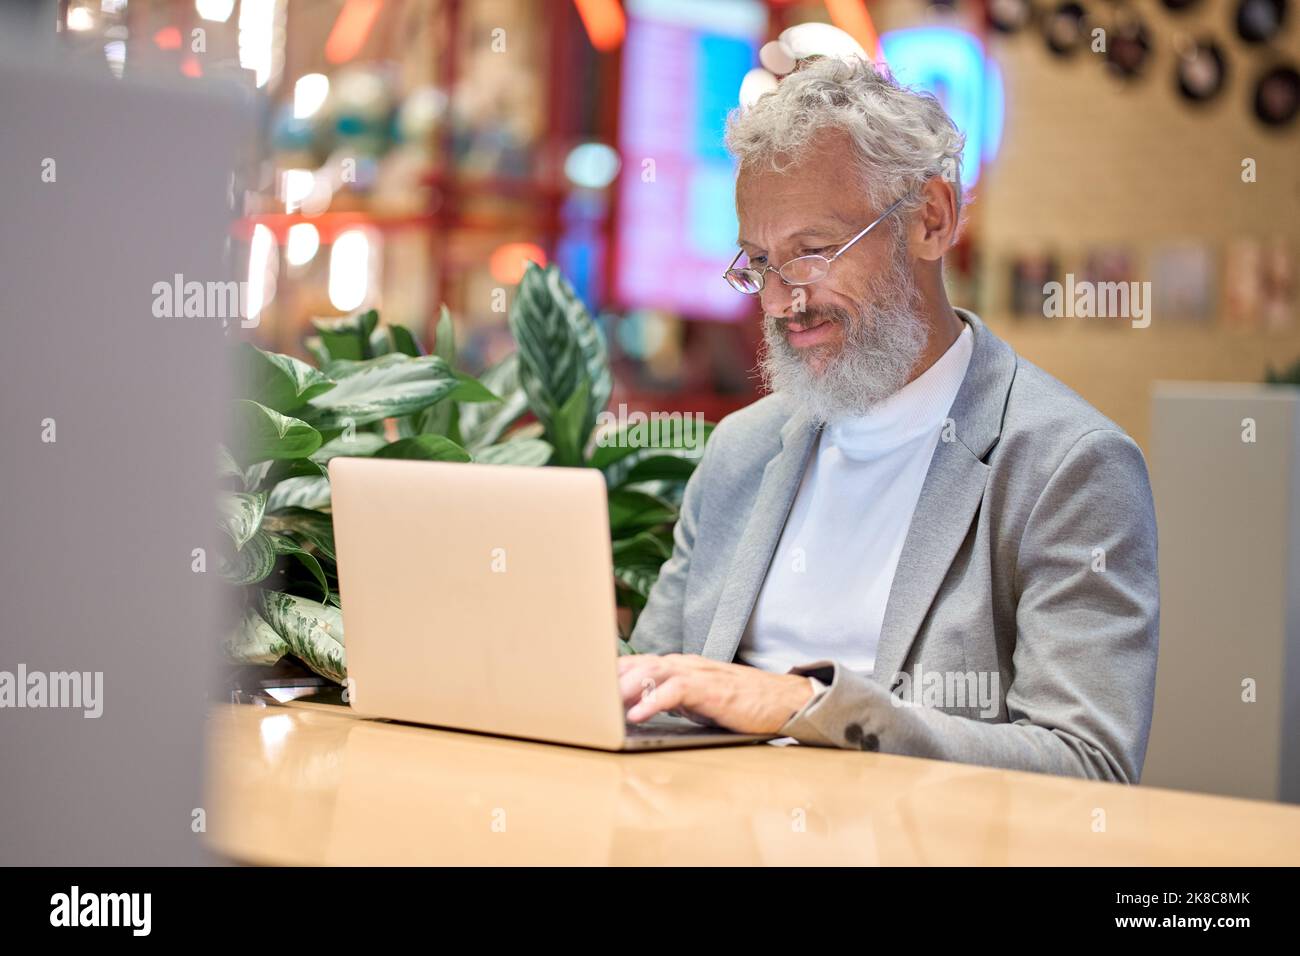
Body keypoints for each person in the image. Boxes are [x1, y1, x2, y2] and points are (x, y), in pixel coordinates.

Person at [622, 57, 1159, 783]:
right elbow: (651, 688)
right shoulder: (742, 449)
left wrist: (804, 705)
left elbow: (1088, 766)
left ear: (931, 220)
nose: (779, 301)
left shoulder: (1068, 466)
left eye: (813, 253)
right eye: (759, 261)